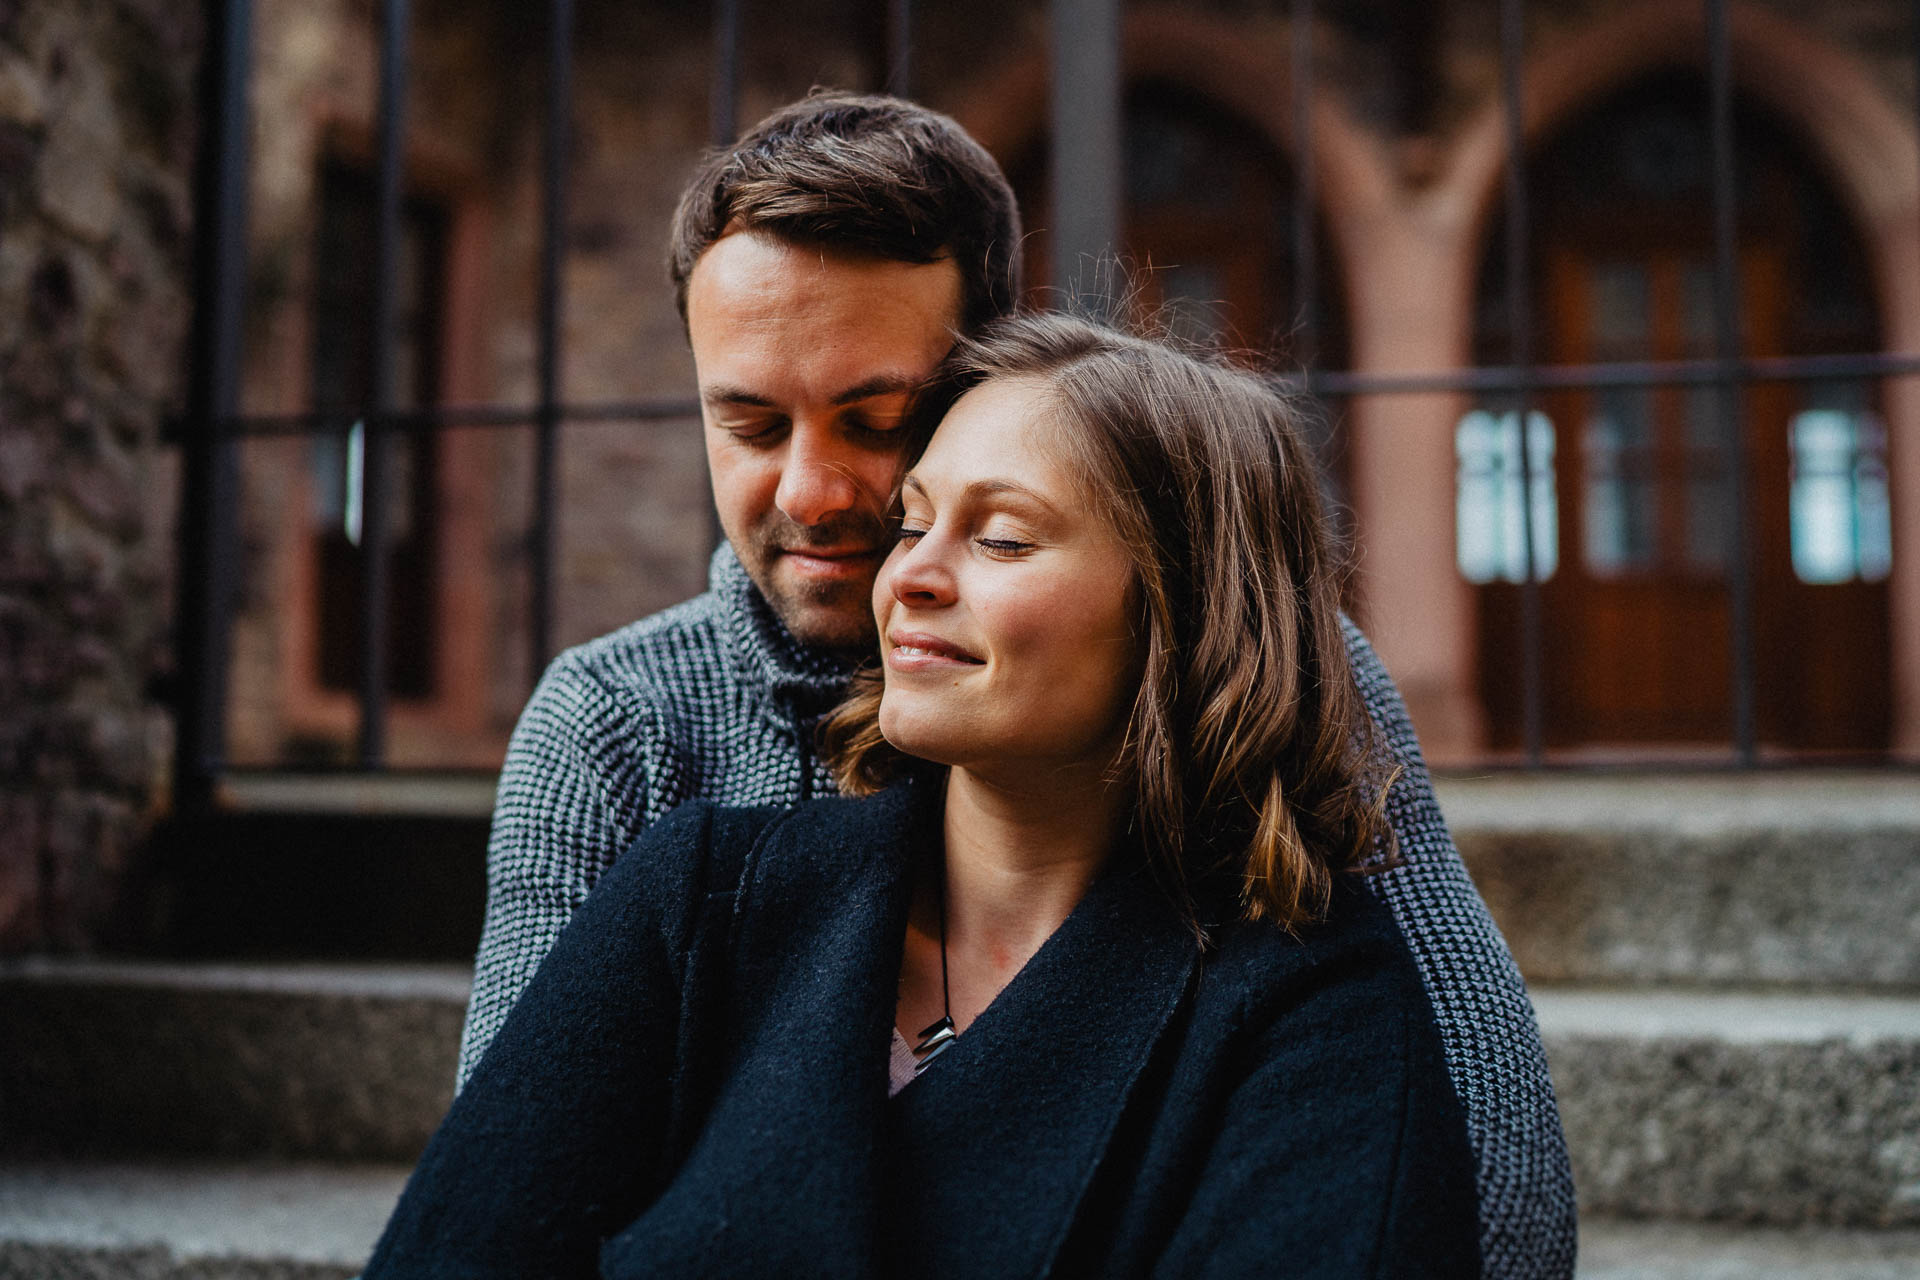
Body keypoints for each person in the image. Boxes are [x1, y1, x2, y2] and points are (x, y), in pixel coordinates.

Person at [460, 91, 1574, 1278]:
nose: (809, 491)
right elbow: (513, 1177)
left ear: (985, 377)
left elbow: (1482, 1160)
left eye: (872, 419)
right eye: (750, 426)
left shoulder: (1260, 682)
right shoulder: (617, 724)